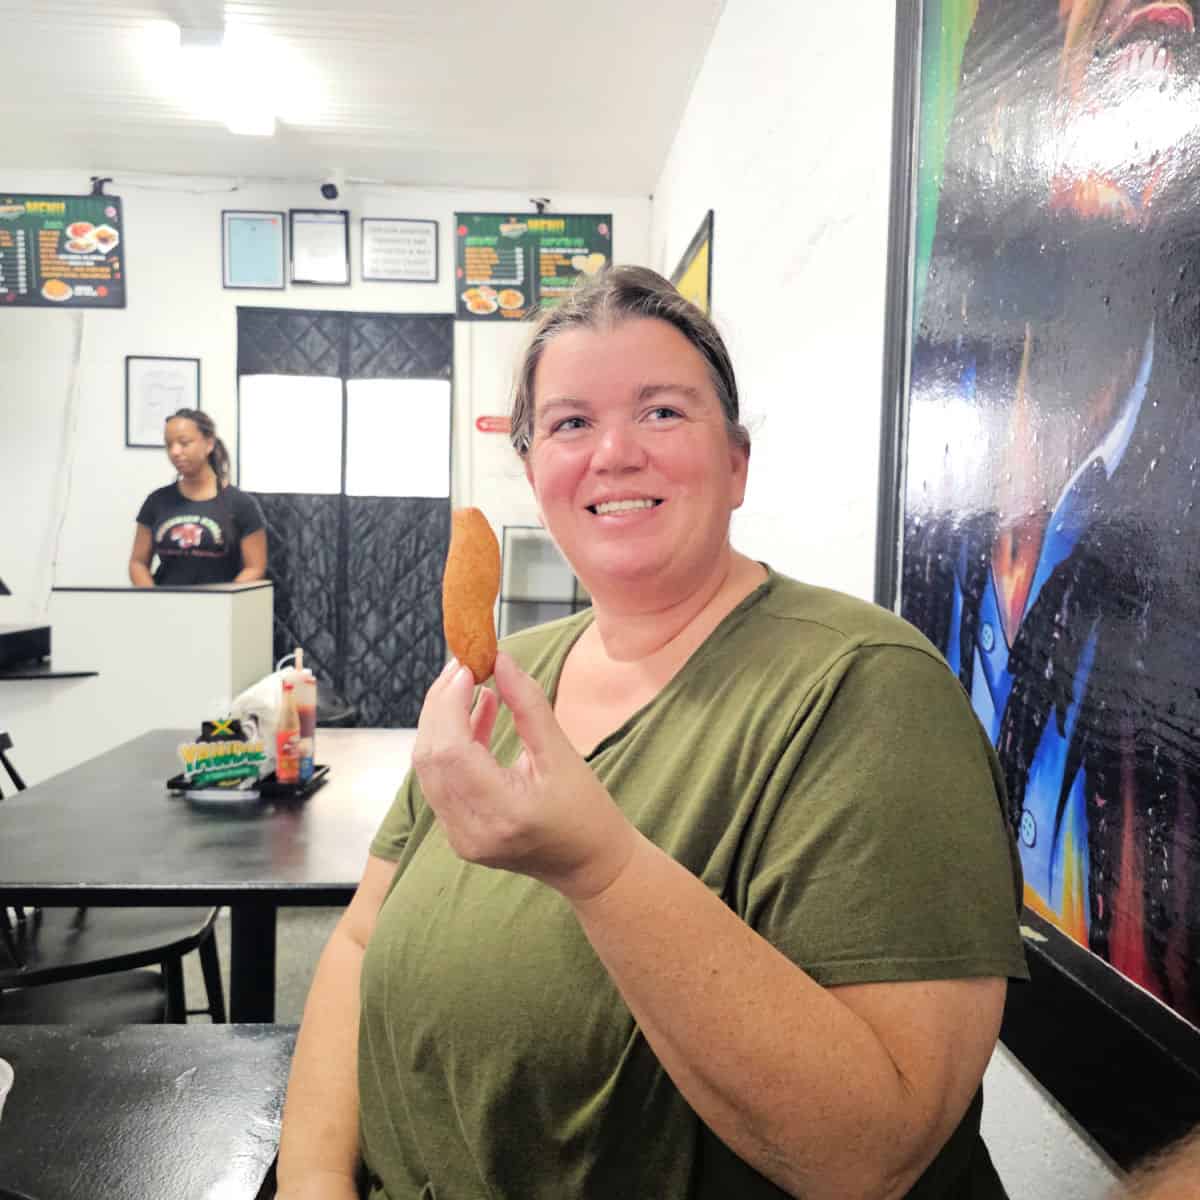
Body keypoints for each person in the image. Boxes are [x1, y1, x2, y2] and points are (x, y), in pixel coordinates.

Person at [277, 266, 1028, 1200]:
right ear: (534, 473)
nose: (615, 453)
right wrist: (313, 1179)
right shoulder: (499, 682)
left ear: (737, 464)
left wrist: (601, 869)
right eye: (570, 423)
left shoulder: (867, 689)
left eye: (663, 412)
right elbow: (358, 943)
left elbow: (871, 1156)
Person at [128, 408, 267, 587]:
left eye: (184, 443)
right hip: (166, 601)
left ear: (209, 444)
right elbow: (138, 563)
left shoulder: (241, 504)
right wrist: (154, 597)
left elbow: (255, 568)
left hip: (221, 602)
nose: (175, 451)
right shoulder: (156, 501)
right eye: (169, 445)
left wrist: (224, 597)